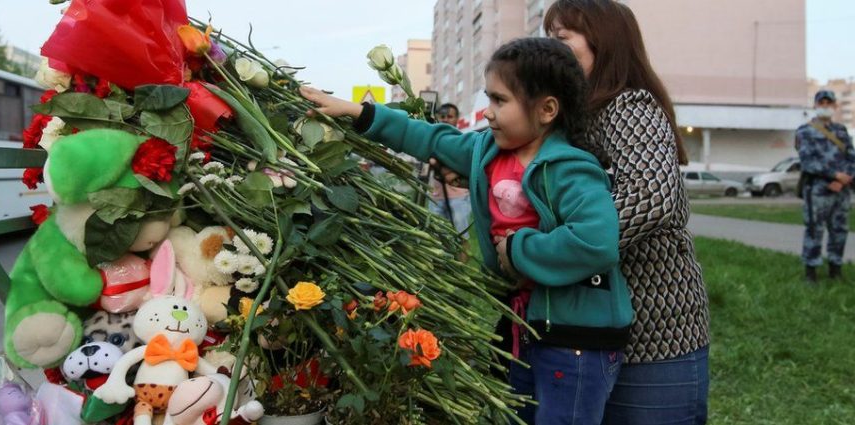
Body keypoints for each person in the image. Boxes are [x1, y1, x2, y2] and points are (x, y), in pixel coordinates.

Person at [302, 37, 632, 425]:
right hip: (526, 325)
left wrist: (517, 249)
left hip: (577, 338)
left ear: (546, 110)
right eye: (488, 98)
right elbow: (430, 138)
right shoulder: (489, 152)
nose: (488, 113)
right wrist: (360, 113)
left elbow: (596, 242)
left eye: (500, 101)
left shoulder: (569, 168)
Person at [544, 1, 710, 423]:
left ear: (604, 41)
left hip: (656, 333)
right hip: (592, 333)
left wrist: (552, 252)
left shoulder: (627, 106)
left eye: (561, 39)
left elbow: (651, 195)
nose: (549, 49)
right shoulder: (576, 121)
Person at [796, 89, 855, 283]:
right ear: (815, 105)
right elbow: (807, 161)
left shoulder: (841, 130)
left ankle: (835, 268)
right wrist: (834, 175)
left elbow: (852, 157)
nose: (825, 107)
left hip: (841, 190)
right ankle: (811, 271)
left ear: (835, 106)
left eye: (828, 103)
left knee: (840, 229)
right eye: (821, 103)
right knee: (815, 229)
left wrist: (843, 178)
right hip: (817, 189)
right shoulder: (805, 131)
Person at [429, 103, 472, 238]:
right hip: (435, 195)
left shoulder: (463, 140)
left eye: (450, 116)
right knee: (436, 236)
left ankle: (461, 259)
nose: (446, 119)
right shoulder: (432, 139)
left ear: (457, 119)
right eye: (442, 116)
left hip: (458, 196)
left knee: (461, 236)